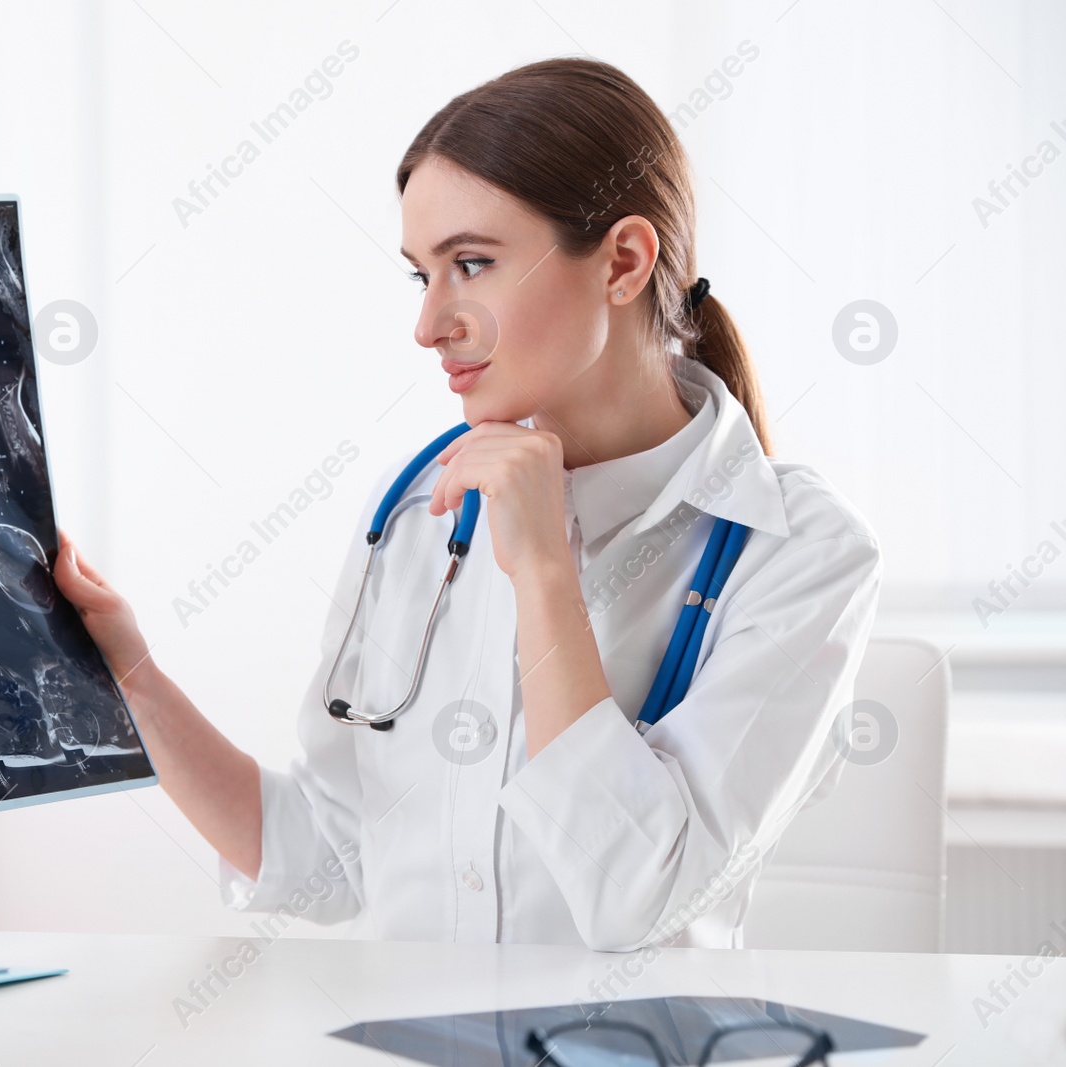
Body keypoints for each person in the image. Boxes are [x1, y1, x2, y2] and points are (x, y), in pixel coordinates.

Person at [52, 57, 881, 950]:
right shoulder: (418, 511)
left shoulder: (799, 548)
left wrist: (542, 570)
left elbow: (647, 899)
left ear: (624, 262)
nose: (429, 322)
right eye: (422, 275)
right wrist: (131, 674)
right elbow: (326, 855)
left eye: (472, 264)